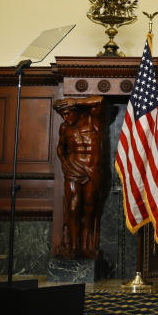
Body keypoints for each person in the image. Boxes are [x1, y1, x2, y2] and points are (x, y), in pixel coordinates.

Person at [53, 96, 107, 259]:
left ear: (75, 111)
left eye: (68, 113)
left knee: (89, 208)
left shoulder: (92, 119)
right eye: (62, 115)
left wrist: (75, 102)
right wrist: (64, 163)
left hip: (91, 169)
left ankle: (86, 247)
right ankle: (74, 247)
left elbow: (100, 100)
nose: (65, 117)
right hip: (73, 170)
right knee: (73, 208)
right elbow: (60, 147)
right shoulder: (64, 128)